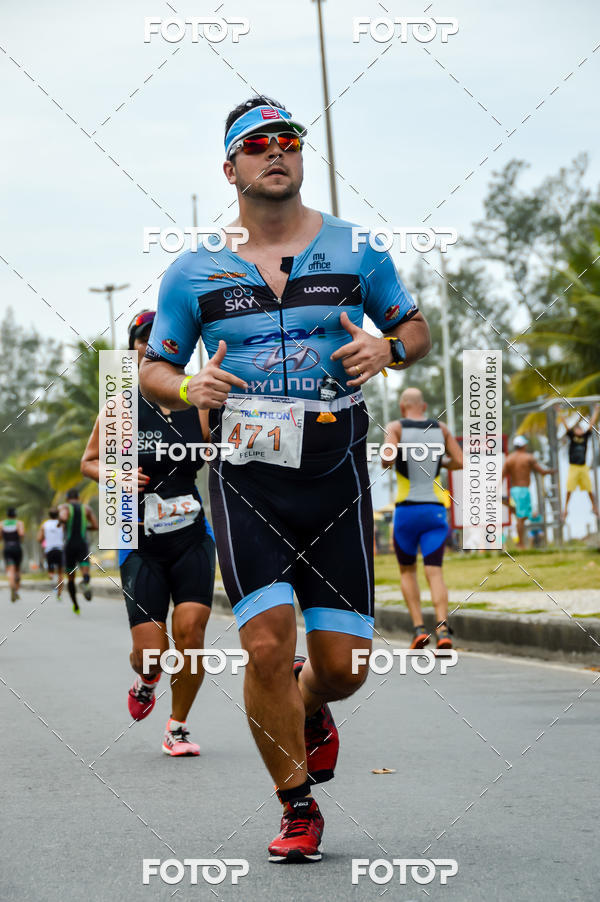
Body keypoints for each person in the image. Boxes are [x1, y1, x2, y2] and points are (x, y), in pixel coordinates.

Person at [139, 96, 431, 861]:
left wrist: (388, 351)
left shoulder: (356, 249)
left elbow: (414, 327)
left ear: (300, 158)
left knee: (343, 670)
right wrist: (186, 388)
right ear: (229, 167)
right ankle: (296, 804)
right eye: (258, 144)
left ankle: (310, 706)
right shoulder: (193, 271)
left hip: (335, 474)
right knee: (267, 643)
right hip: (247, 478)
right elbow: (155, 366)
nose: (278, 152)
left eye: (290, 141)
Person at [81, 310, 216, 756]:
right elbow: (89, 461)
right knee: (151, 653)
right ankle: (146, 678)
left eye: (162, 338)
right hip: (138, 539)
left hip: (192, 534)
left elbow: (227, 450)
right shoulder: (119, 404)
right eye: (143, 339)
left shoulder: (199, 400)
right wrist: (113, 476)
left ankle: (177, 726)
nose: (152, 345)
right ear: (135, 346)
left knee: (192, 632)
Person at [382, 388, 463, 651]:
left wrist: (392, 456)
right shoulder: (442, 428)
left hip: (406, 511)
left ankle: (418, 630)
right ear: (424, 406)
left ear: (402, 406)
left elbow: (386, 459)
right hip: (435, 510)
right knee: (435, 572)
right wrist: (439, 462)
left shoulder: (395, 427)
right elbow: (460, 461)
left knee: (407, 571)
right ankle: (443, 630)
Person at [502, 436, 555, 547]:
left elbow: (501, 477)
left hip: (513, 491)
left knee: (521, 516)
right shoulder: (528, 458)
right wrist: (552, 471)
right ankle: (521, 544)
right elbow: (542, 471)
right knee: (521, 518)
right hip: (523, 491)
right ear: (524, 446)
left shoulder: (509, 459)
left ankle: (520, 542)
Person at [58, 488, 98, 614]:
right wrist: (85, 527)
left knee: (70, 578)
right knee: (85, 568)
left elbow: (63, 518)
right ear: (78, 497)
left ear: (68, 498)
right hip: (82, 544)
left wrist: (61, 521)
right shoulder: (86, 509)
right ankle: (85, 581)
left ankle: (75, 605)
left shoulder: (64, 507)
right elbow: (95, 526)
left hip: (69, 545)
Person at [557, 404, 599, 520]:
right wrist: (559, 412)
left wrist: (596, 410)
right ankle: (565, 509)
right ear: (575, 431)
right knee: (569, 489)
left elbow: (591, 424)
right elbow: (565, 425)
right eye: (577, 429)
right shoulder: (572, 436)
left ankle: (595, 507)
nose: (579, 430)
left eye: (580, 429)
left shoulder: (585, 436)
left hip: (583, 467)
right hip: (573, 467)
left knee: (589, 489)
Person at [37, 508, 65, 598]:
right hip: (60, 549)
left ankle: (52, 579)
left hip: (49, 551)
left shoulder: (45, 524)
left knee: (50, 572)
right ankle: (59, 592)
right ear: (58, 515)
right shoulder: (62, 524)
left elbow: (39, 539)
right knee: (61, 572)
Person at [2, 507, 25, 602]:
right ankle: (16, 590)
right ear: (15, 515)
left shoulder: (2, 524)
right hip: (17, 547)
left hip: (7, 548)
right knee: (17, 569)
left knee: (10, 570)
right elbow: (22, 534)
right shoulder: (19, 523)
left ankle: (12, 586)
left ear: (7, 515)